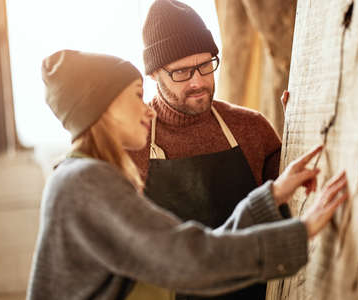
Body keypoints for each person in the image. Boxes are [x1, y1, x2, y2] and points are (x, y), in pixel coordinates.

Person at [26, 49, 348, 300]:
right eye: (138, 95)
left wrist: (273, 195)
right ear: (104, 107)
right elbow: (190, 259)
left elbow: (189, 251)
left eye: (205, 64)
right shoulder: (85, 183)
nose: (148, 109)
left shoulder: (79, 177)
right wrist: (301, 232)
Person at [129, 1, 290, 298]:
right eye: (181, 72)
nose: (198, 82)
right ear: (153, 74)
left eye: (205, 65)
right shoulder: (131, 145)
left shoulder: (252, 129)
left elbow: (289, 214)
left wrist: (296, 128)